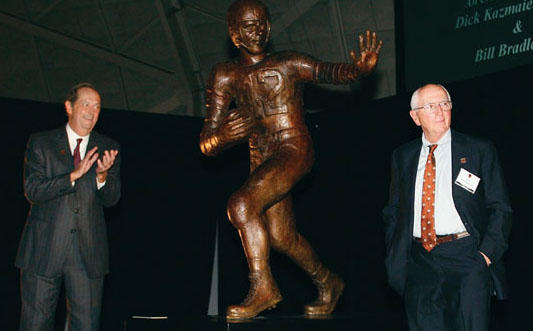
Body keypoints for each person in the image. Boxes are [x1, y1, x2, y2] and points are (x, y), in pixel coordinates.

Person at [200, 0, 382, 320]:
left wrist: (358, 70)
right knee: (282, 238)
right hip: (262, 157)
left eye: (262, 23)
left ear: (269, 28)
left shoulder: (287, 61)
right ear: (234, 34)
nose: (257, 30)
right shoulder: (224, 75)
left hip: (294, 148)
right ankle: (329, 282)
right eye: (248, 25)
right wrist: (222, 137)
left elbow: (326, 71)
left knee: (241, 205)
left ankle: (263, 287)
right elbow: (206, 142)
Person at [383, 83, 512, 330]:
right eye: (431, 106)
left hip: (467, 257)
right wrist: (396, 258)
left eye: (445, 104)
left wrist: (484, 256)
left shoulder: (478, 150)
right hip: (420, 262)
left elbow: (500, 208)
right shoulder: (403, 156)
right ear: (415, 117)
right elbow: (393, 211)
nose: (440, 111)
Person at [16, 82, 121, 330]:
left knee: (85, 325)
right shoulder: (41, 142)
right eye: (86, 104)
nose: (92, 112)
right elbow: (33, 191)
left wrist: (102, 177)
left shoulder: (109, 147)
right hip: (44, 249)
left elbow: (113, 199)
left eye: (97, 107)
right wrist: (72, 176)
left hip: (87, 253)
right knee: (35, 323)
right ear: (69, 107)